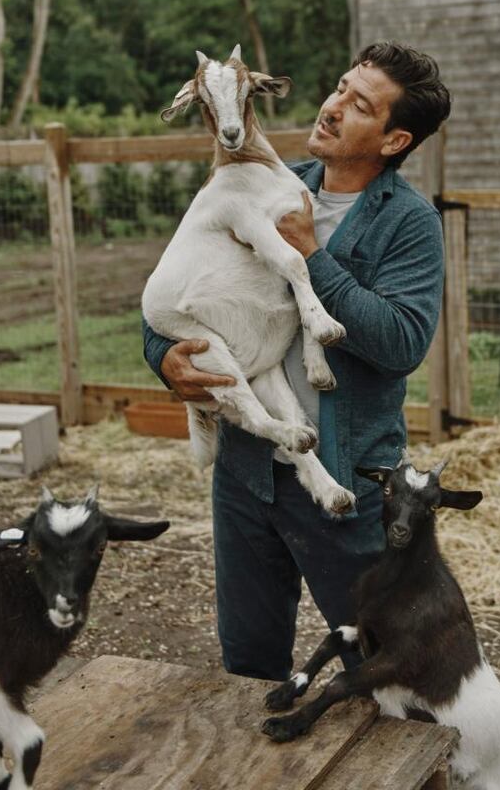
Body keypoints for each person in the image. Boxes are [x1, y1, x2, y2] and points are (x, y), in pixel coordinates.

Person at [142, 41, 451, 681]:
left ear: (394, 140)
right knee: (248, 664)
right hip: (247, 475)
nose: (332, 107)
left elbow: (402, 343)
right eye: (340, 87)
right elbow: (182, 288)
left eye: (359, 105)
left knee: (383, 664)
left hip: (351, 482)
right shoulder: (261, 183)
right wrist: (163, 355)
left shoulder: (410, 223)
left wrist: (312, 256)